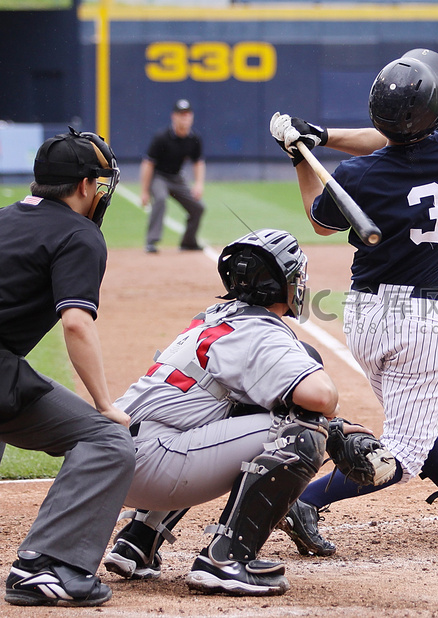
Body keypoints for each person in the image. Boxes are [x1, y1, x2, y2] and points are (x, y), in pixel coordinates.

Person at [269, 48, 438, 557]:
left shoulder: (359, 177)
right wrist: (318, 140)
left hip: (365, 317)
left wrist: (305, 155)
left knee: (413, 420)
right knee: (402, 456)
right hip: (422, 325)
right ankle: (303, 501)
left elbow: (320, 220)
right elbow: (395, 136)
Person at [102, 229, 379, 596]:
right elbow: (319, 395)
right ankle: (226, 560)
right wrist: (335, 428)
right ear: (286, 283)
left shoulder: (213, 318)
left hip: (112, 462)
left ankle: (138, 540)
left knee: (220, 415)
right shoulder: (260, 331)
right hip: (154, 466)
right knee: (305, 428)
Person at [0, 128, 135, 607]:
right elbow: (76, 323)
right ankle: (45, 566)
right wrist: (105, 405)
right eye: (97, 182)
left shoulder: (5, 217)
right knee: (106, 441)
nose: (100, 192)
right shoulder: (80, 235)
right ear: (83, 186)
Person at [141, 98, 206, 253]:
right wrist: (144, 191)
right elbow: (148, 163)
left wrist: (198, 184)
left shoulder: (194, 138)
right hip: (159, 177)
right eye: (181, 114)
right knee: (161, 199)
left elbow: (198, 162)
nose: (185, 118)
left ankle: (188, 242)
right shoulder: (162, 137)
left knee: (198, 207)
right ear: (174, 116)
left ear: (192, 117)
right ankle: (151, 241)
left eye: (187, 114)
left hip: (177, 178)